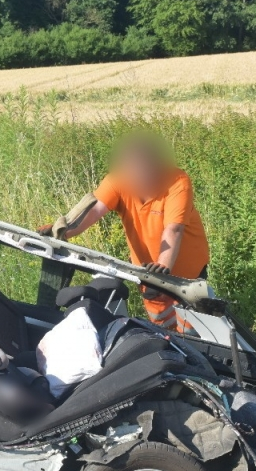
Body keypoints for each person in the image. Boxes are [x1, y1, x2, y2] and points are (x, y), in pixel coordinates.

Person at [41, 133, 210, 333]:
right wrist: (63, 232)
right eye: (134, 173)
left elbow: (174, 228)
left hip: (185, 274)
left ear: (157, 167)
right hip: (148, 273)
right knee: (163, 327)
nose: (140, 178)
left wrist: (162, 270)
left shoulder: (177, 182)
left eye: (145, 172)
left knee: (193, 330)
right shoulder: (117, 181)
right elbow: (94, 211)